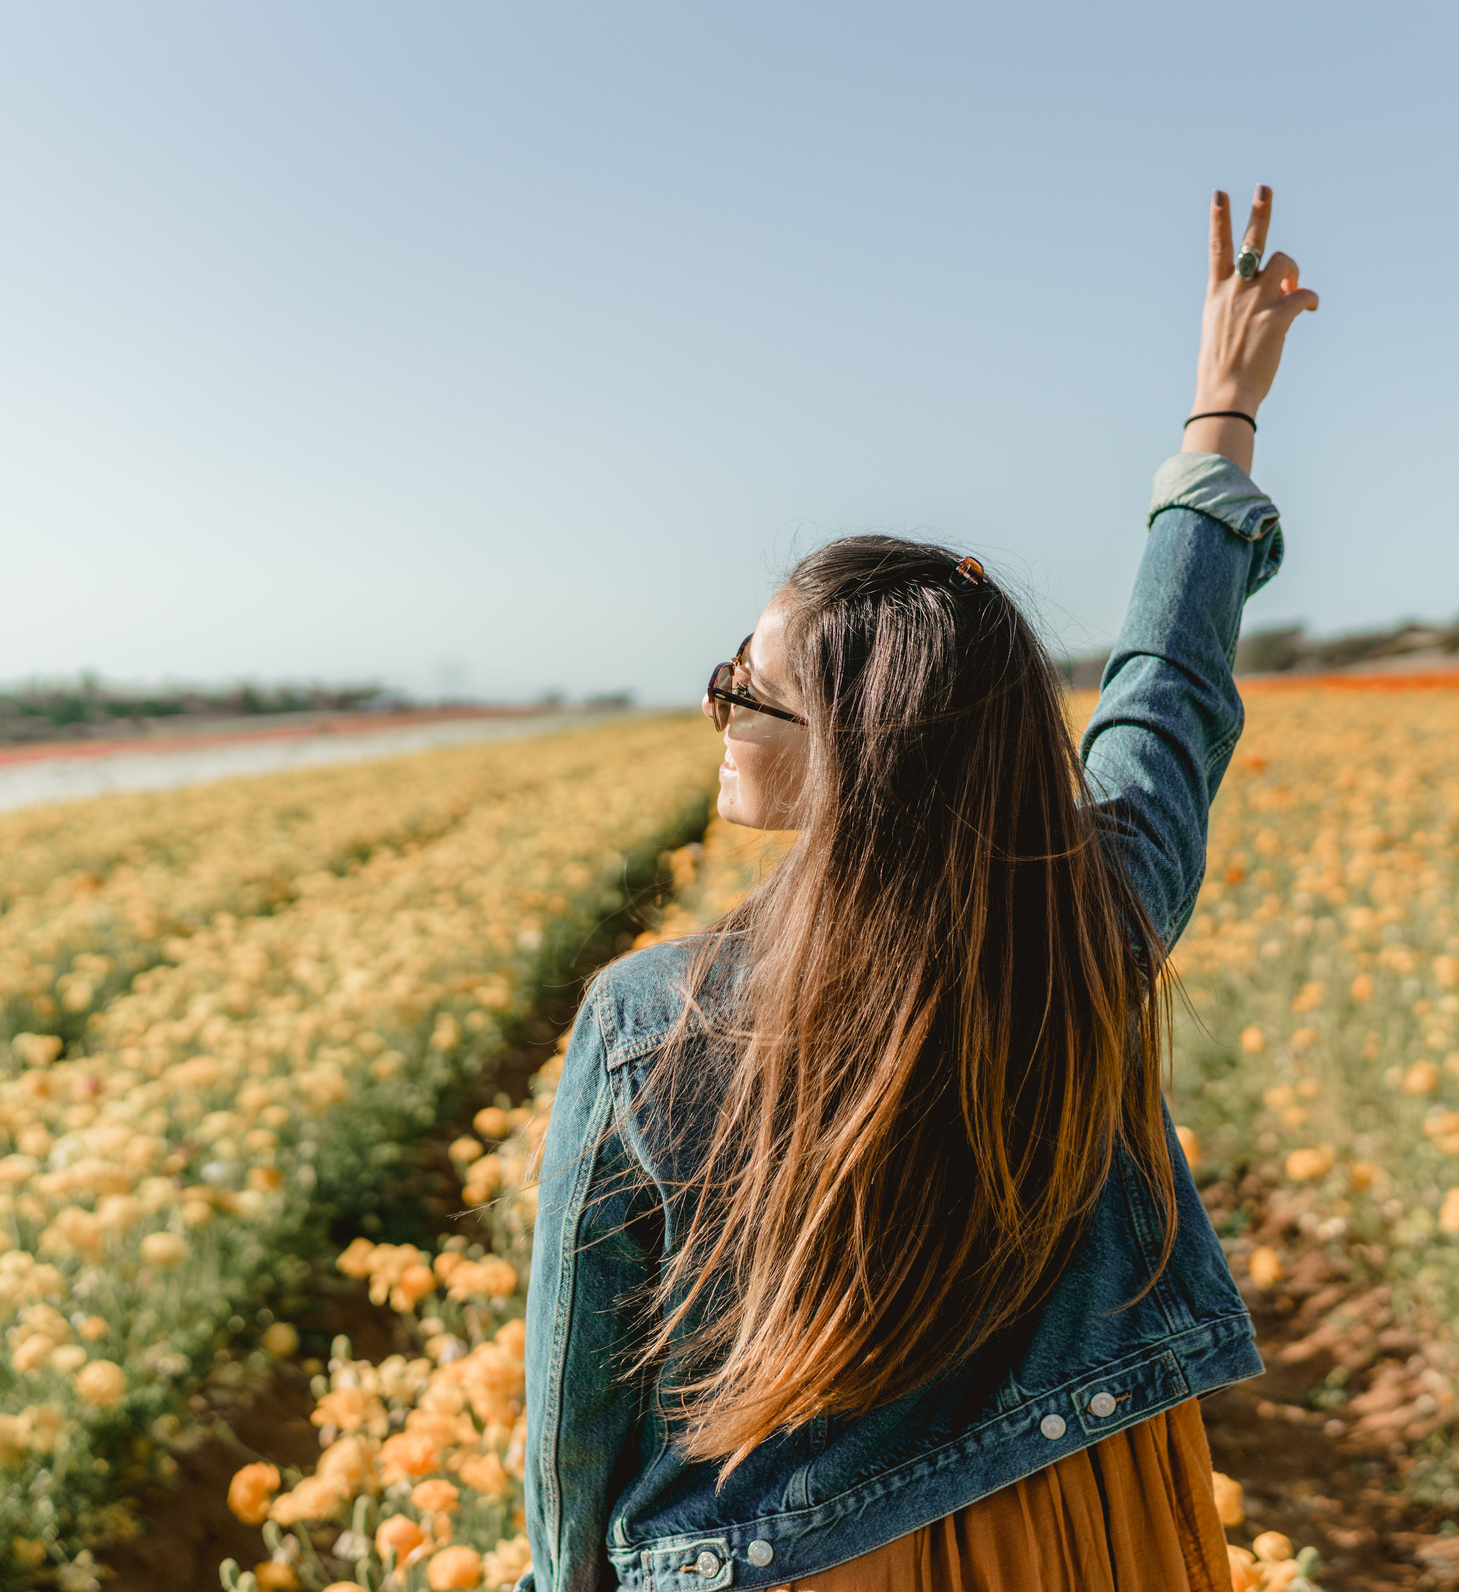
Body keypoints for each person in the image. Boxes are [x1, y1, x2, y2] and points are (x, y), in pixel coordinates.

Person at [519, 186, 1318, 1592]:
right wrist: (1220, 416)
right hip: (1088, 1516)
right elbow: (1164, 698)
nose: (715, 712)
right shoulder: (1089, 924)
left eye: (744, 692)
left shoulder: (654, 1022)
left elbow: (578, 1423)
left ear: (858, 747)